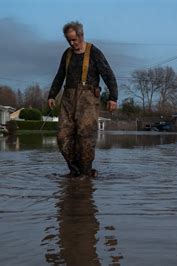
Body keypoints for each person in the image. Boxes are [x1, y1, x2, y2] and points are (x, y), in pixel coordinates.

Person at [48, 21, 118, 178]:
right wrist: (52, 94)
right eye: (69, 40)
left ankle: (85, 175)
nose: (72, 43)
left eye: (74, 40)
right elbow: (60, 75)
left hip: (88, 100)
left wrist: (113, 97)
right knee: (62, 137)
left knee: (85, 138)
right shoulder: (67, 54)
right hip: (68, 99)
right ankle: (75, 170)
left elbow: (108, 74)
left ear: (81, 35)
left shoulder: (94, 52)